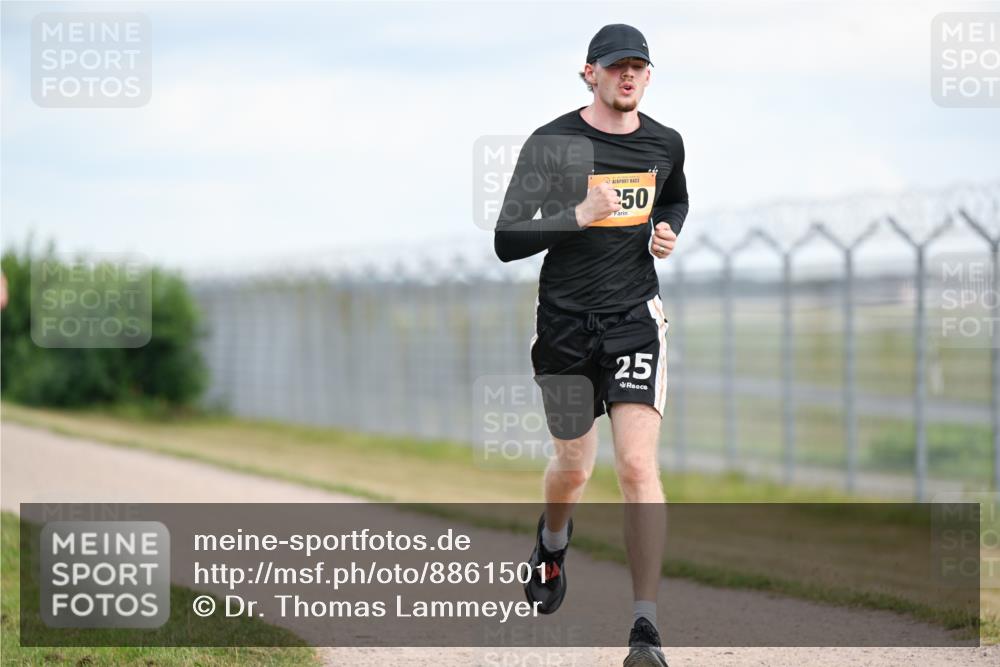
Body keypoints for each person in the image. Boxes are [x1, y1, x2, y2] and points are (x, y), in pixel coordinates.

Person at [493, 24, 688, 667]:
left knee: (636, 467)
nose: (627, 76)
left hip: (634, 318)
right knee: (575, 466)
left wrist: (666, 229)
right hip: (565, 324)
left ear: (648, 76)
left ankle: (645, 629)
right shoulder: (555, 144)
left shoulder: (665, 142)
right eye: (615, 67)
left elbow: (676, 197)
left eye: (638, 67)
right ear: (589, 74)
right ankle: (553, 541)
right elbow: (506, 238)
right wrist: (575, 214)